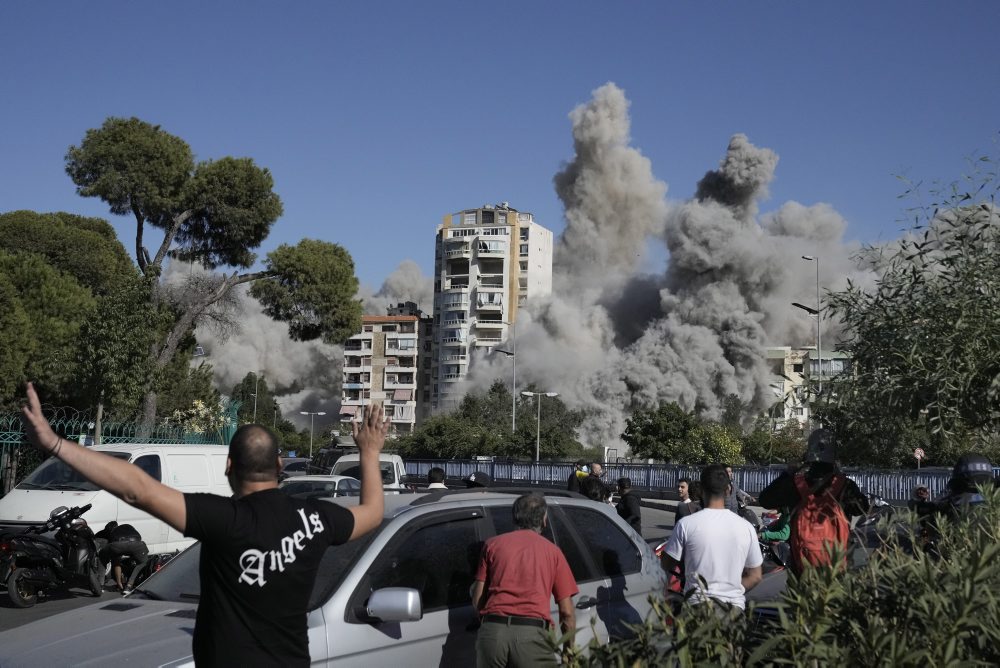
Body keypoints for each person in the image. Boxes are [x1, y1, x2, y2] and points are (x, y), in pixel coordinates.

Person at [20, 382, 388, 667]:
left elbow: (137, 488)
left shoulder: (222, 518)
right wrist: (369, 452)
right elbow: (372, 512)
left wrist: (54, 443)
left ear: (229, 467)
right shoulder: (316, 517)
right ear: (279, 467)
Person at [472, 493, 578, 667]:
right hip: (532, 637)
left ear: (515, 517)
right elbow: (567, 612)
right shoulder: (553, 552)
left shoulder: (492, 545)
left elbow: (477, 600)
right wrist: (569, 654)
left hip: (492, 634)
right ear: (544, 520)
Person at [661, 464, 763, 614]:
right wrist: (732, 590)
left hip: (696, 608)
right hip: (733, 609)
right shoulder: (746, 527)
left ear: (701, 490)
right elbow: (755, 576)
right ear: (728, 490)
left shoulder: (686, 524)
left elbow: (667, 562)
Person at [96, 521, 150, 593]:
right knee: (143, 562)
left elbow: (116, 563)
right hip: (137, 544)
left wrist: (119, 583)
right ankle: (129, 586)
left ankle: (100, 585)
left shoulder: (112, 534)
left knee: (102, 557)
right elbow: (138, 537)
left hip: (117, 545)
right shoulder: (127, 527)